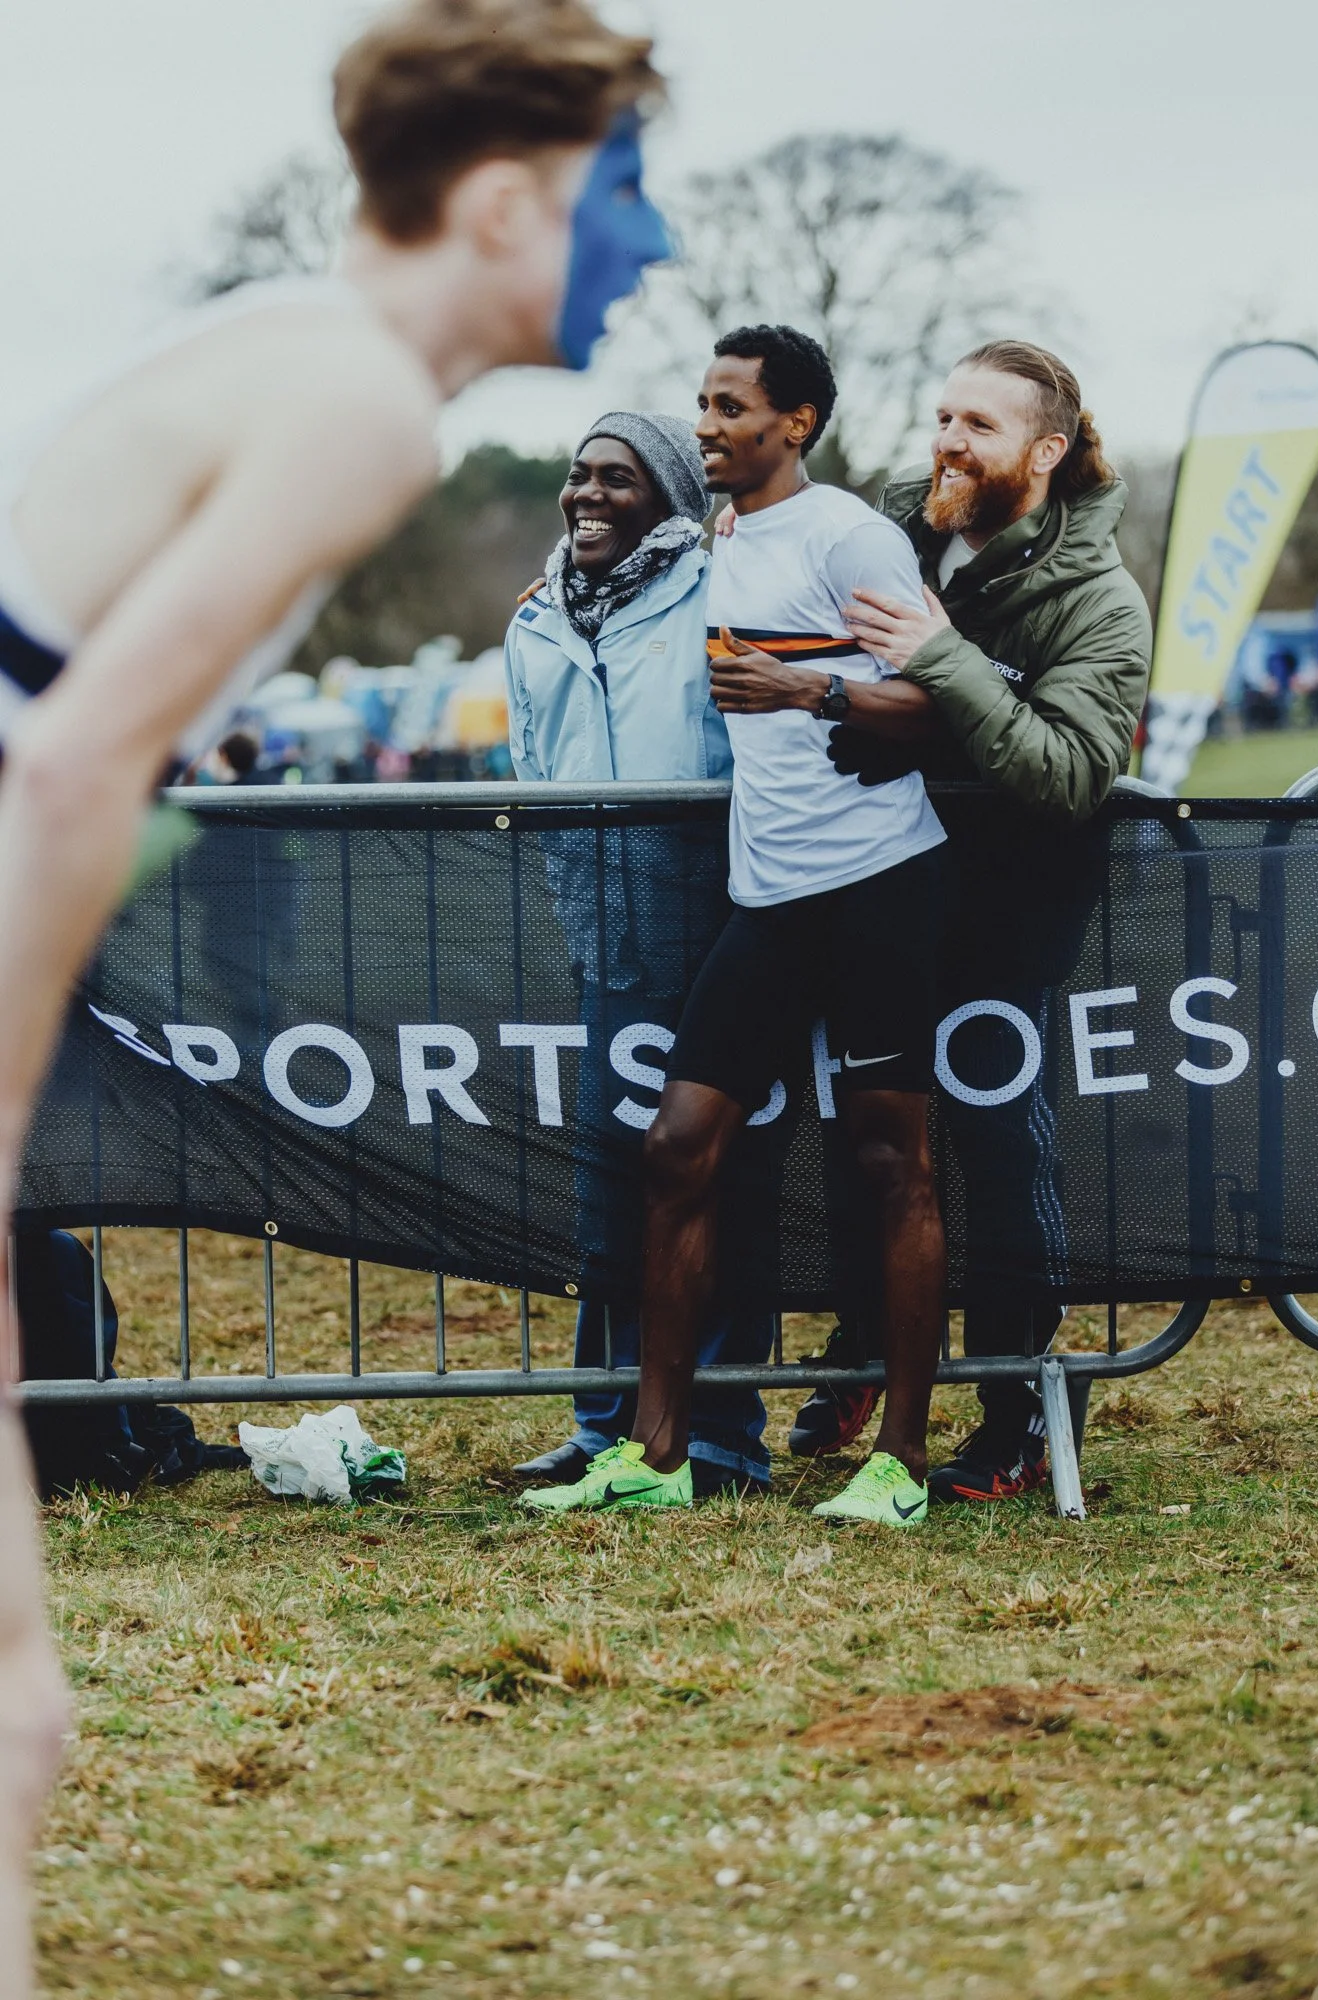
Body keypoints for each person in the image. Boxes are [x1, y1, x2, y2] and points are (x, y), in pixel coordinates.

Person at [0, 2, 668, 1987]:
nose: (653, 252)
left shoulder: (302, 355)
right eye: (620, 194)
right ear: (492, 203)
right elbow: (60, 770)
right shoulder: (362, 399)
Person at [708, 339, 1152, 1503]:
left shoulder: (1095, 598)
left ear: (1046, 452)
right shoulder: (890, 536)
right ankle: (864, 1358)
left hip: (1009, 910)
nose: (947, 441)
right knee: (864, 1143)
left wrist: (944, 663)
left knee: (1001, 1148)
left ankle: (1017, 1413)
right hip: (878, 888)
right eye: (942, 414)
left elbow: (1067, 772)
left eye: (980, 427)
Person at [523, 323, 950, 1526]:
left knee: (888, 1164)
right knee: (676, 1149)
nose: (704, 425)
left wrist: (805, 686)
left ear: (795, 424)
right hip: (767, 898)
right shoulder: (720, 538)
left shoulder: (849, 535)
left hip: (876, 882)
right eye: (701, 405)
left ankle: (901, 1464)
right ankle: (654, 1453)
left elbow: (943, 700)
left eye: (728, 407)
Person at [504, 412, 772, 1497]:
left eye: (617, 478)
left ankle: (718, 1426)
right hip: (603, 942)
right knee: (607, 1186)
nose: (587, 495)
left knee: (716, 1177)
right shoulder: (533, 619)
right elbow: (529, 765)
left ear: (665, 495)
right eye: (577, 476)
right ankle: (602, 1414)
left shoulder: (719, 592)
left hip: (719, 929)